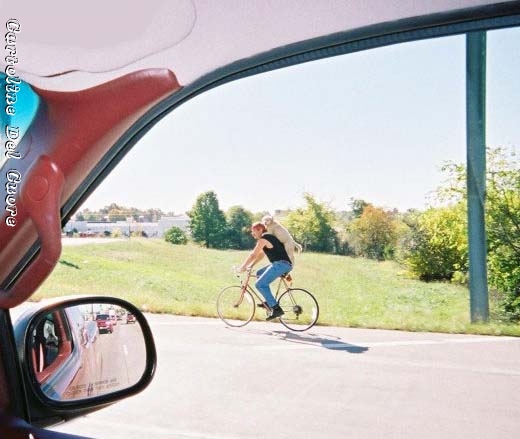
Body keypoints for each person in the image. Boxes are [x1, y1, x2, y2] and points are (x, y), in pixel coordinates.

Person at [239, 221, 292, 320]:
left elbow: (253, 255)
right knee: (259, 273)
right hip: (282, 264)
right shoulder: (268, 238)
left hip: (280, 264)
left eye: (253, 231)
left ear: (260, 230)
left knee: (259, 284)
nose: (252, 233)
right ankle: (269, 301)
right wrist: (251, 265)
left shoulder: (263, 239)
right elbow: (260, 255)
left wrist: (243, 266)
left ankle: (276, 309)